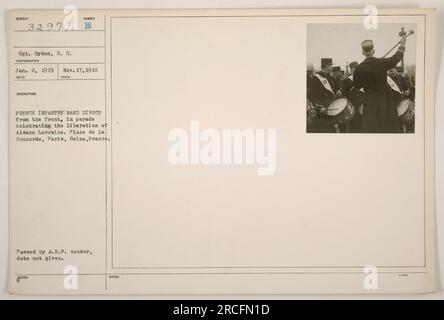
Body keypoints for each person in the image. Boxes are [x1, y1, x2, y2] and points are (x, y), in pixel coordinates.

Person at [353, 37, 407, 133]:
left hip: (369, 101)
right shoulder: (382, 62)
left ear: (363, 53)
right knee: (388, 127)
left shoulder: (359, 68)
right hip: (385, 99)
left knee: (371, 128)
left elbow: (356, 85)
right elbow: (397, 57)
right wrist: (402, 44)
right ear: (374, 50)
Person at [309, 58, 337, 132]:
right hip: (321, 110)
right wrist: (320, 107)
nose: (332, 67)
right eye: (331, 65)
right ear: (327, 65)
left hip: (330, 109)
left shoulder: (330, 78)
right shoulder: (315, 78)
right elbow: (311, 96)